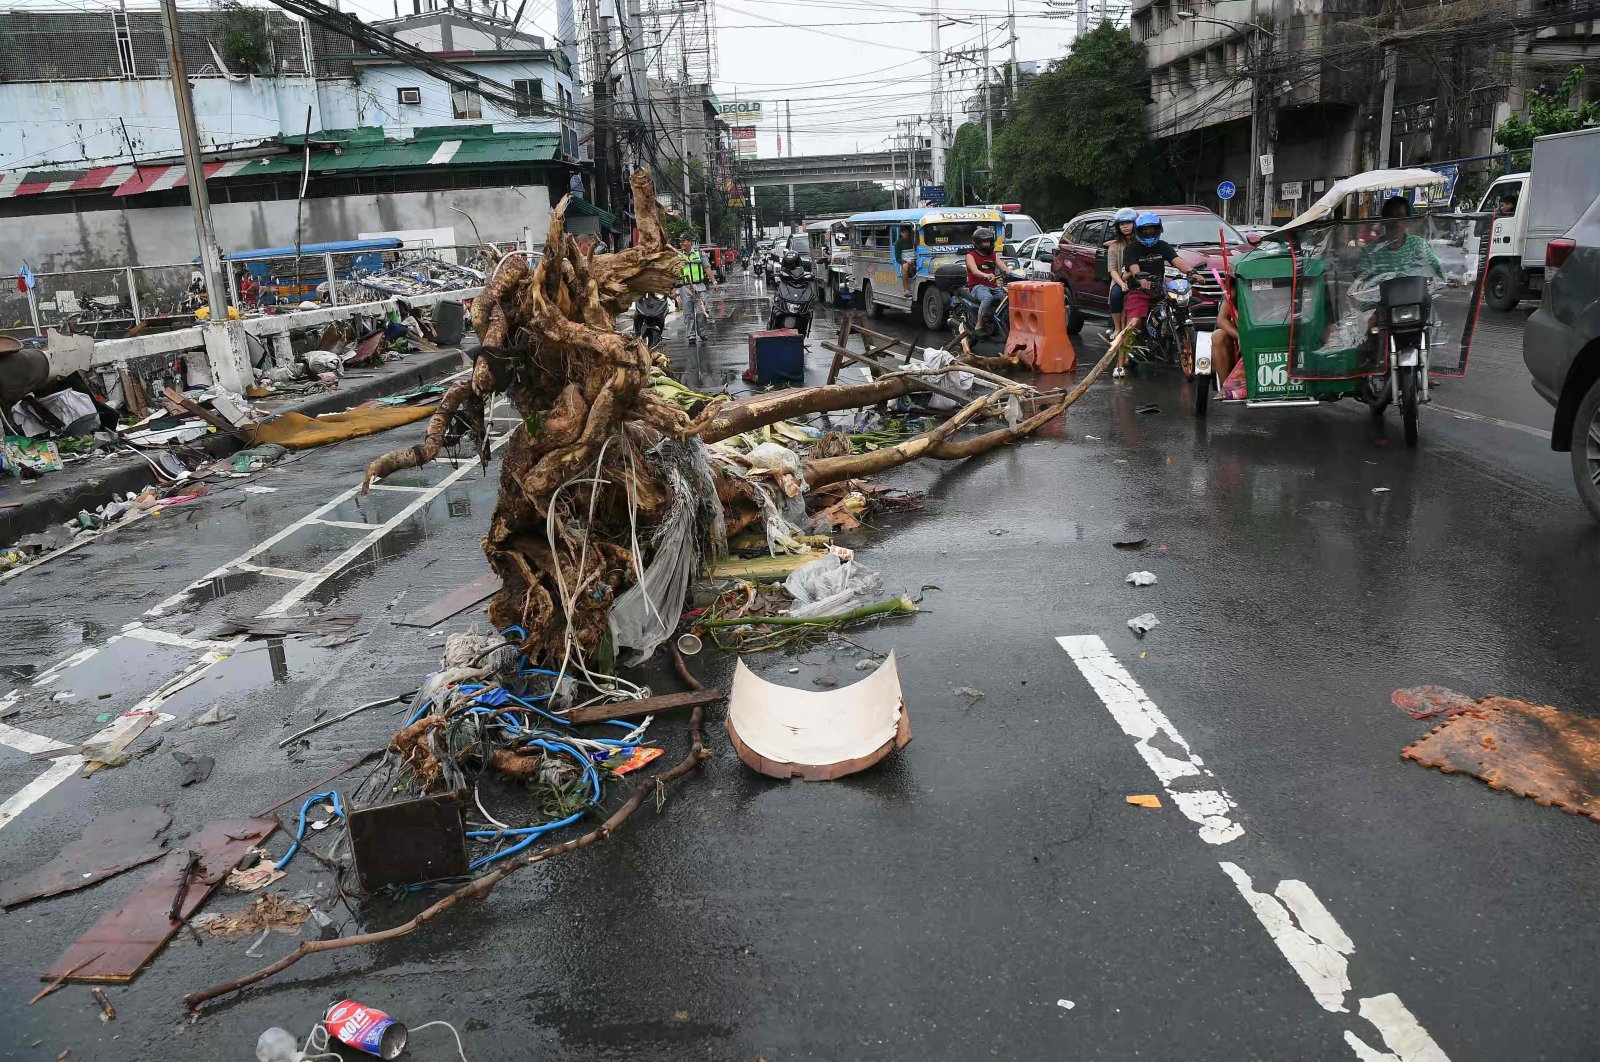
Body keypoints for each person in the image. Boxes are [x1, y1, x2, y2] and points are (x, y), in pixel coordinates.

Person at [1119, 211, 1196, 377]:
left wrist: (1192, 273)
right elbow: (1133, 268)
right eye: (1145, 230)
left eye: (1152, 230)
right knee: (1134, 323)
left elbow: (1178, 261)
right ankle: (1122, 359)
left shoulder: (1163, 246)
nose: (1148, 233)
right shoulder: (1132, 248)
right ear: (1138, 232)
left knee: (1178, 308)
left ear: (1158, 230)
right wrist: (1141, 280)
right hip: (1138, 291)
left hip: (1161, 289)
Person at [1356, 196, 1443, 283]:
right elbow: (1361, 278)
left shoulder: (1418, 245)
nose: (1395, 221)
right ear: (1384, 221)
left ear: (1407, 221)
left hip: (1414, 295)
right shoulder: (1370, 252)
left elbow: (1436, 266)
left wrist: (1449, 277)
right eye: (1391, 216)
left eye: (1400, 216)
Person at [964, 226, 1022, 334]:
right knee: (987, 297)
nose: (987, 244)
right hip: (977, 286)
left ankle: (998, 322)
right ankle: (979, 324)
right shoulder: (970, 256)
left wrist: (1018, 274)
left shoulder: (992, 255)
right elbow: (975, 271)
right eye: (984, 242)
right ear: (977, 243)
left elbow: (1004, 268)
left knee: (1004, 299)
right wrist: (985, 275)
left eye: (988, 242)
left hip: (992, 286)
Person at [675, 237, 720, 344]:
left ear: (690, 242)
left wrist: (714, 282)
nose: (681, 243)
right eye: (680, 242)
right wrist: (673, 289)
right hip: (685, 287)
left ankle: (702, 332)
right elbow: (674, 273)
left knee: (702, 311)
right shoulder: (678, 256)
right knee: (688, 313)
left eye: (683, 241)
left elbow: (707, 268)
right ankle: (691, 335)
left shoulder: (700, 254)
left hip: (699, 286)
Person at [1104, 207, 1138, 341]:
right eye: (1122, 224)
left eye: (1128, 223)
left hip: (1139, 278)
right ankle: (1117, 328)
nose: (1125, 226)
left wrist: (1131, 274)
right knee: (1116, 295)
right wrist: (1121, 283)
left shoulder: (1142, 243)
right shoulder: (1114, 246)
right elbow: (1112, 269)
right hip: (1121, 279)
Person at [893, 223, 917, 295]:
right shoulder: (898, 243)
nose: (905, 234)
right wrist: (905, 262)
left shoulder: (914, 240)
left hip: (915, 260)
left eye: (907, 232)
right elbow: (897, 258)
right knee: (905, 267)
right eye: (903, 232)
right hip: (905, 263)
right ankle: (906, 289)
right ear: (901, 233)